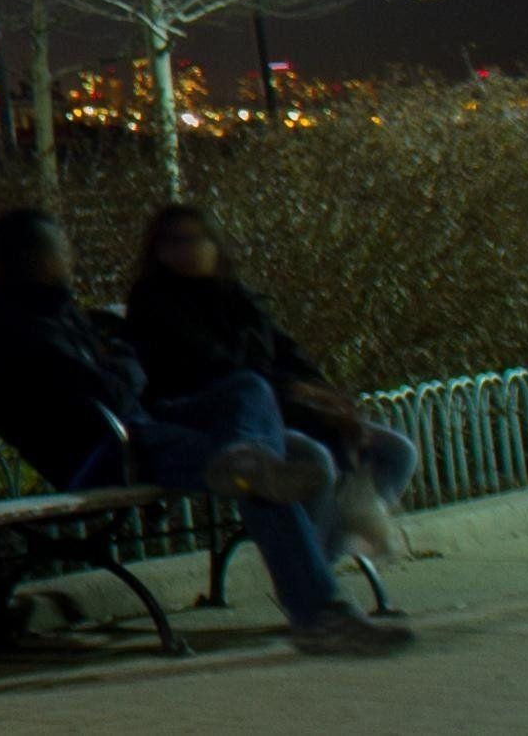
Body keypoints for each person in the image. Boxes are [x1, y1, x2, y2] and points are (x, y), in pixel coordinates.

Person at [0, 208, 399, 656]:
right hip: (108, 452)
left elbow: (121, 372)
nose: (69, 255)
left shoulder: (60, 313)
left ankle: (251, 462)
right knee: (258, 478)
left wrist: (119, 363)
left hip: (140, 431)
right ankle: (319, 612)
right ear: (34, 258)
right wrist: (121, 363)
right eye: (59, 247)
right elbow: (111, 392)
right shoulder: (23, 329)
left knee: (248, 392)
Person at [131, 205, 419, 569]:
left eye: (196, 239)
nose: (187, 250)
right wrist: (293, 392)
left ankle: (339, 534)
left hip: (282, 405)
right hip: (225, 421)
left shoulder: (235, 296)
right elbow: (216, 369)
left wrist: (319, 392)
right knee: (316, 459)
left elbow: (286, 351)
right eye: (174, 241)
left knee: (396, 451)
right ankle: (317, 578)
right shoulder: (155, 304)